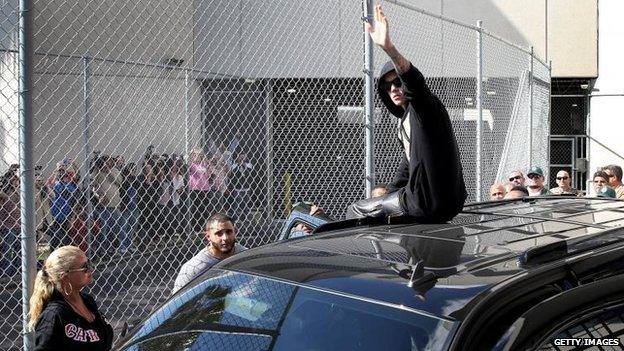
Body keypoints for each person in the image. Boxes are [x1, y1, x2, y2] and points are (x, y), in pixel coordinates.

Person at [347, 4, 466, 221]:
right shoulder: (405, 122)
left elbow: (416, 85)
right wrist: (390, 189)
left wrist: (390, 49)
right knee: (381, 204)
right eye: (387, 86)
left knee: (356, 209)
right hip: (437, 202)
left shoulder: (424, 110)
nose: (393, 88)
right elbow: (408, 162)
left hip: (425, 200)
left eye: (397, 82)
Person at [29, 246, 113, 350]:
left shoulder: (88, 301)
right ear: (65, 277)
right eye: (85, 267)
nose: (91, 269)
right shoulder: (53, 316)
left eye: (89, 263)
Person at [172, 213, 246, 294]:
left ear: (235, 232)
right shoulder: (193, 268)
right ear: (208, 237)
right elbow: (178, 301)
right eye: (219, 233)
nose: (225, 238)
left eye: (229, 232)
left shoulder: (245, 255)